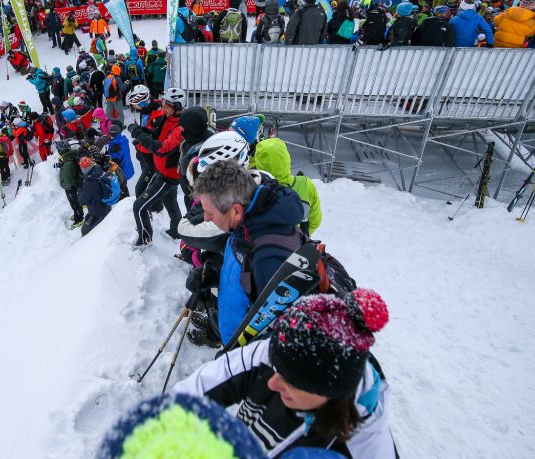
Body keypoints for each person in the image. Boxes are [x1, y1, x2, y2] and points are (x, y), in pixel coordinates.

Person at [173, 289, 395, 457]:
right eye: (276, 367)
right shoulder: (273, 352)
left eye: (292, 381)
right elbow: (201, 386)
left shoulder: (364, 446)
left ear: (331, 392)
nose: (272, 383)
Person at [192, 159, 305, 343]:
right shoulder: (247, 222)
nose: (206, 218)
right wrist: (214, 276)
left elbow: (279, 340)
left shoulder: (268, 260)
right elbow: (247, 278)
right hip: (233, 335)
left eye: (210, 213)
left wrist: (235, 360)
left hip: (244, 356)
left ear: (235, 211)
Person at [128, 90, 185, 248]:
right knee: (170, 202)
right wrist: (141, 132)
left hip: (168, 176)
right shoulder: (168, 118)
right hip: (165, 171)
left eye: (167, 106)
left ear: (177, 107)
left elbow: (161, 148)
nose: (163, 108)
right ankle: (176, 231)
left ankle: (145, 239)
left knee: (138, 206)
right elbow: (155, 135)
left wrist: (138, 133)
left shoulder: (179, 128)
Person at [254, 138, 323, 235]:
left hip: (263, 245)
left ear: (258, 162)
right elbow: (315, 220)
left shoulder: (253, 188)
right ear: (287, 158)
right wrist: (300, 237)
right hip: (297, 246)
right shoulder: (306, 185)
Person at [76, 156, 118, 236]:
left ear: (83, 169)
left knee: (85, 233)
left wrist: (80, 189)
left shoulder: (90, 183)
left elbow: (81, 201)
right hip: (105, 208)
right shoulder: (99, 172)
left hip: (98, 214)